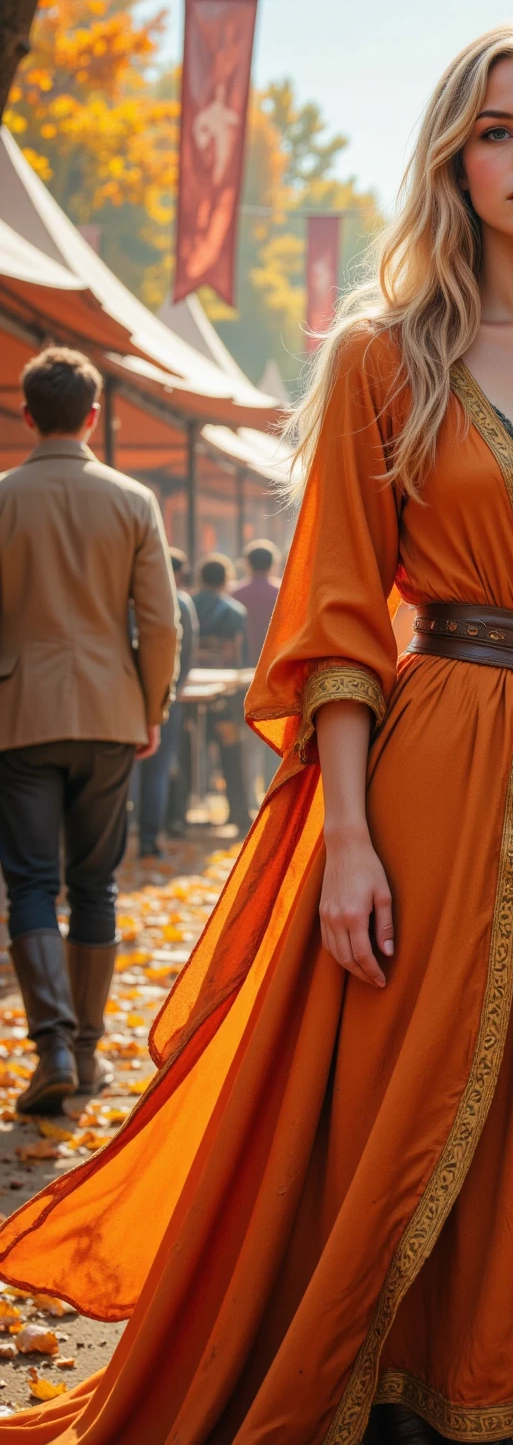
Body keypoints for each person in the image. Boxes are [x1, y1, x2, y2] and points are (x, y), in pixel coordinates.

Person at [0, 22, 513, 1445]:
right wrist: (346, 840)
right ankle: (426, 1398)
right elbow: (340, 620)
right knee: (415, 1116)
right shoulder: (384, 356)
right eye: (495, 131)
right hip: (439, 787)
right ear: (453, 162)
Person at [0, 348, 179, 1114]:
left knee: (31, 882)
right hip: (111, 712)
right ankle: (86, 1052)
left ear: (26, 415)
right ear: (95, 417)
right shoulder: (133, 500)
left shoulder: (3, 499)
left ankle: (49, 1047)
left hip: (20, 714)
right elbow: (161, 624)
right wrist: (152, 707)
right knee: (95, 882)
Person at [137, 549, 198, 857]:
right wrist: (174, 688)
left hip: (128, 695)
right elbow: (187, 655)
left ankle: (125, 834)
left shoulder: (130, 597)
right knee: (158, 769)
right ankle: (149, 838)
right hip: (167, 696)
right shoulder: (180, 601)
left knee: (129, 771)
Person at [192, 553, 249, 832]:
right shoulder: (233, 610)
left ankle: (178, 815)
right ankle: (238, 812)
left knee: (187, 752)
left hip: (188, 692)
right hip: (225, 694)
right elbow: (234, 653)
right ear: (226, 578)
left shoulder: (188, 605)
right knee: (231, 752)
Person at [233, 540, 283, 806]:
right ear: (273, 563)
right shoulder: (283, 592)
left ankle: (249, 796)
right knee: (277, 733)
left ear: (247, 564)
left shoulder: (235, 595)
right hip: (277, 674)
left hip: (243, 675)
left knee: (246, 739)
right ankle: (272, 794)